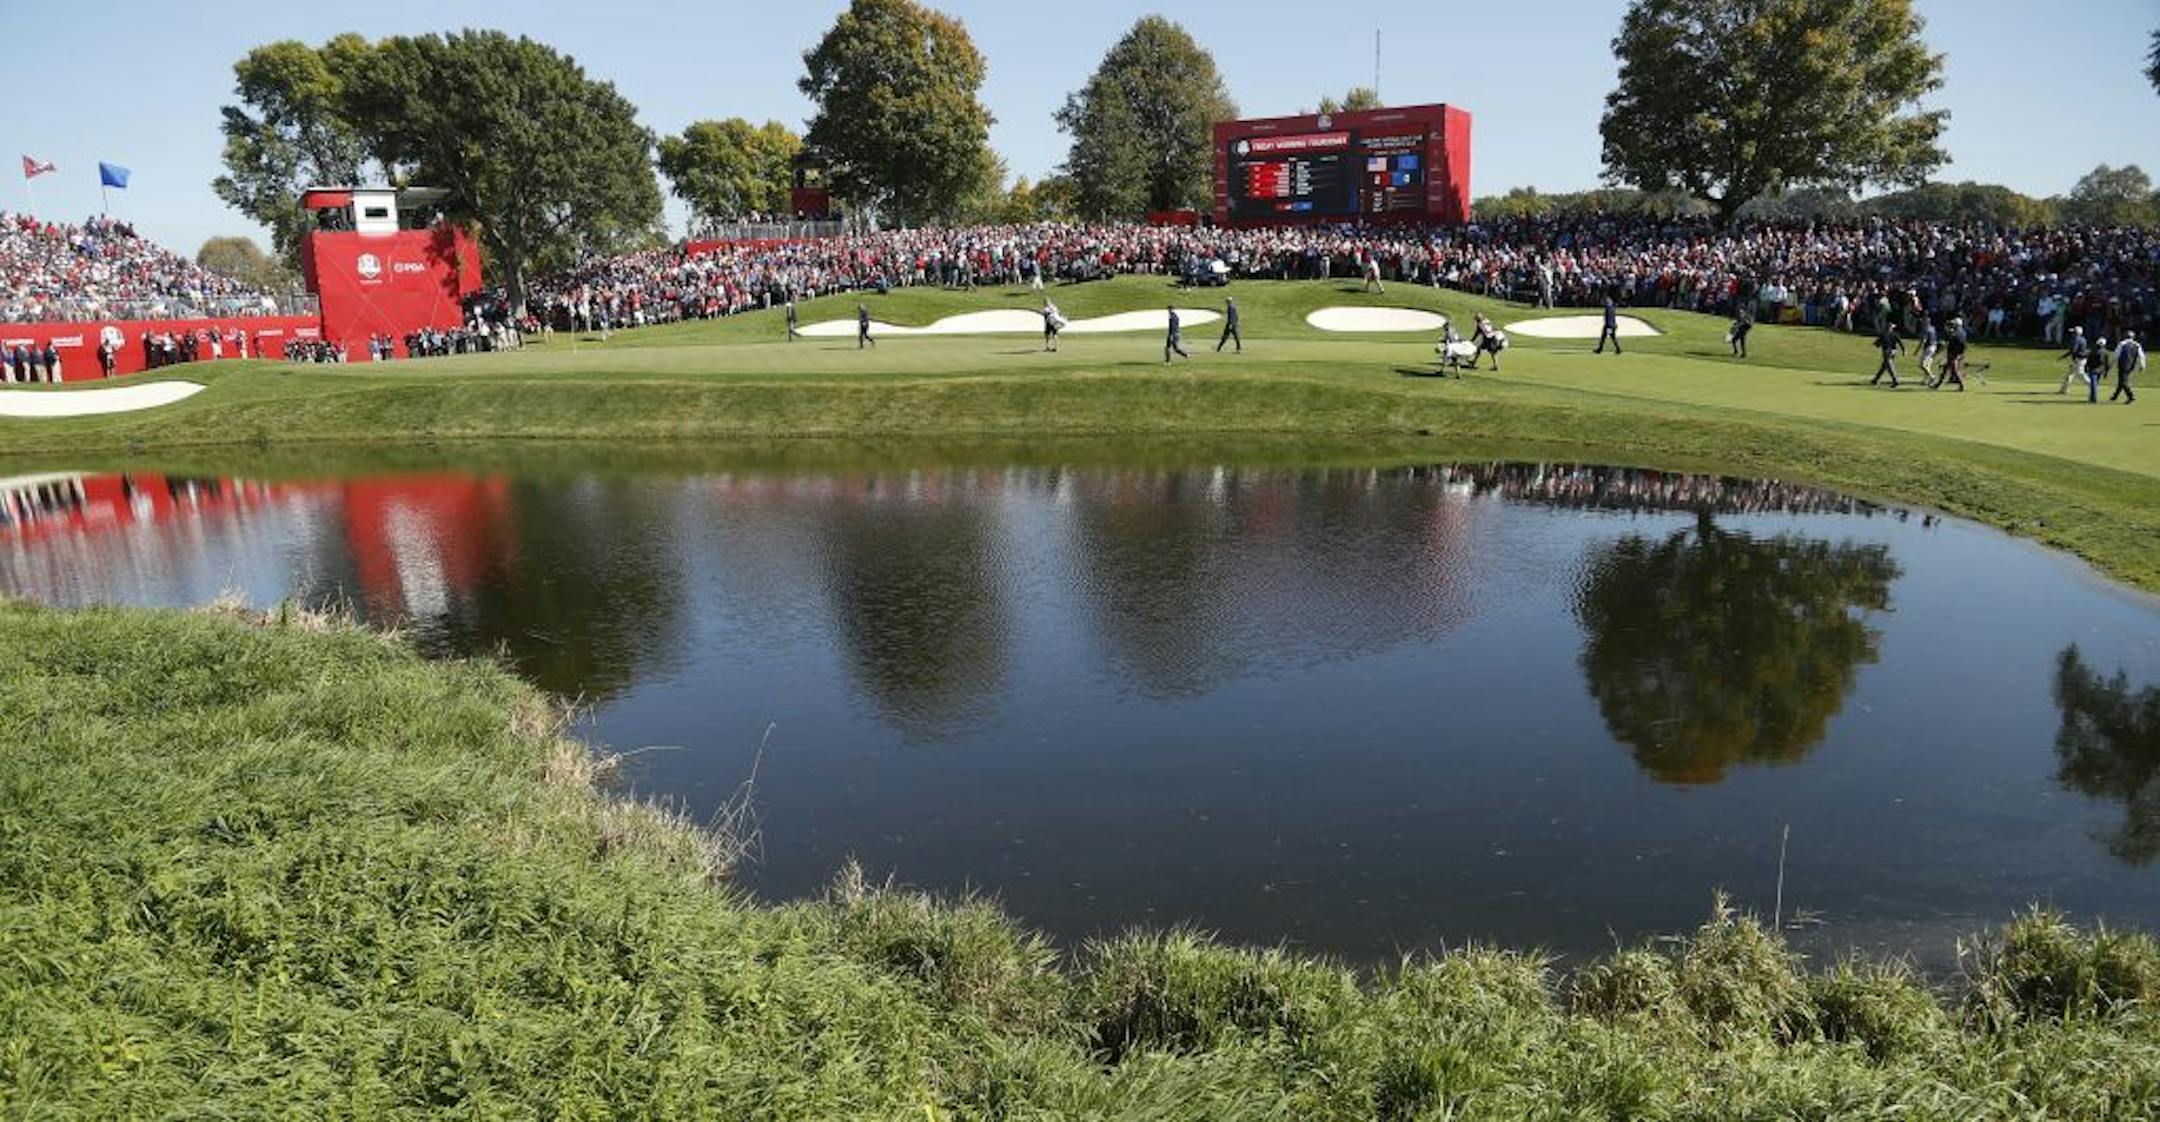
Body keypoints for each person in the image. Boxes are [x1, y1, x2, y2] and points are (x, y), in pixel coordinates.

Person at [1931, 315, 1967, 391]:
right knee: (1945, 369)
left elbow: (1947, 342)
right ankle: (1937, 385)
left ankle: (1962, 385)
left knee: (1954, 370)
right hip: (1956, 354)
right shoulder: (1963, 332)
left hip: (1953, 354)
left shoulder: (1956, 333)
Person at [2113, 331, 2144, 404]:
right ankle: (2115, 396)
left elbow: (2116, 355)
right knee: (2122, 380)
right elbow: (2141, 356)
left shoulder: (2122, 343)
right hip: (2131, 366)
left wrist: (2112, 364)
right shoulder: (2137, 345)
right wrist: (2142, 365)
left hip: (2122, 365)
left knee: (2123, 382)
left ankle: (2131, 396)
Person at [1870, 322, 1904, 388]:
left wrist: (1877, 344)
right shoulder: (1895, 334)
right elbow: (1900, 343)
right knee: (1884, 366)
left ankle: (1895, 380)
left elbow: (1877, 344)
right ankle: (1876, 379)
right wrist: (1903, 351)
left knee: (1889, 366)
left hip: (1886, 352)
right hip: (1894, 352)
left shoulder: (1883, 334)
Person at [2060, 326, 2089, 393]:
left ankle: (2092, 386)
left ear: (2076, 333)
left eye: (2074, 332)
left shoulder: (2076, 340)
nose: (2072, 333)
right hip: (2081, 359)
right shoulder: (2083, 339)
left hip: (2078, 360)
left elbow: (2073, 350)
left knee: (2080, 374)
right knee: (2070, 374)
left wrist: (2065, 356)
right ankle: (2064, 389)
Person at [2085, 337, 2111, 403]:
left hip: (2094, 369)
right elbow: (2107, 364)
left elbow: (2088, 360)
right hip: (2100, 370)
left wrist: (2086, 367)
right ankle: (2092, 397)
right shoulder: (2105, 352)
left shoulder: (2093, 351)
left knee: (2093, 384)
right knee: (2095, 384)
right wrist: (2105, 373)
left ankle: (2093, 399)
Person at [1917, 317, 1941, 382]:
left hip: (1929, 347)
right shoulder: (1933, 328)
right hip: (1934, 346)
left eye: (1923, 321)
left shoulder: (1926, 329)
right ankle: (1926, 379)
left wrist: (1917, 350)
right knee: (1928, 364)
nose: (1922, 323)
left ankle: (1932, 376)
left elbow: (1923, 341)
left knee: (1922, 364)